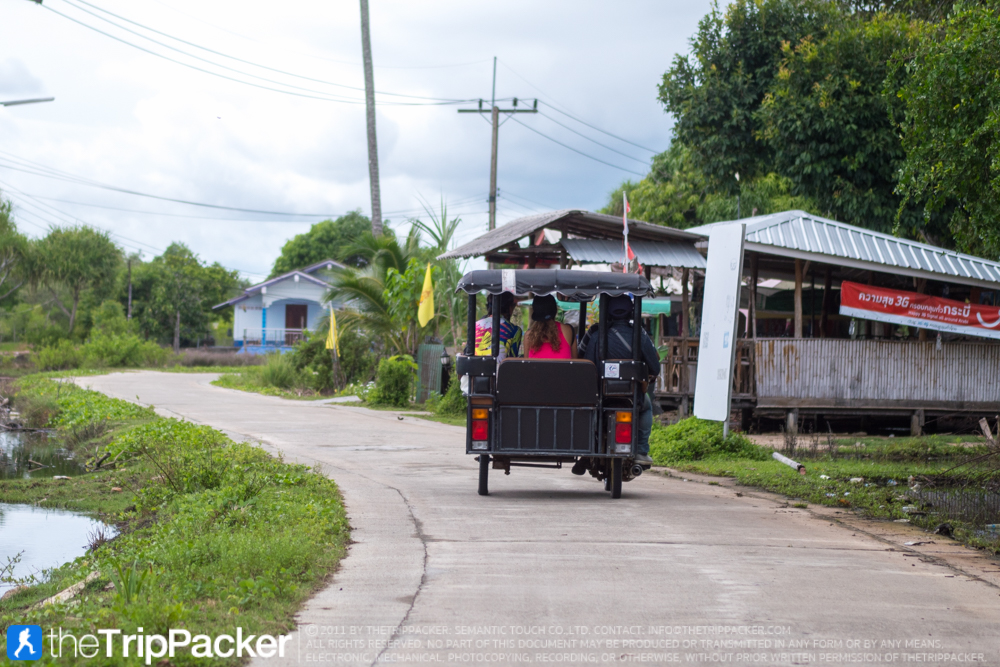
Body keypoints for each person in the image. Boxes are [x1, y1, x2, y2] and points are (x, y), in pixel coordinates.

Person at [578, 294, 660, 467]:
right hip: (632, 396)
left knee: (589, 410)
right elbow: (655, 367)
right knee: (646, 408)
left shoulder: (596, 335)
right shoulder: (640, 335)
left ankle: (588, 447)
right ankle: (641, 450)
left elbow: (586, 366)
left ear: (607, 312)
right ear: (631, 312)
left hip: (601, 395)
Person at [524, 295, 577, 359]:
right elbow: (575, 362)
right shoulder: (569, 331)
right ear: (555, 311)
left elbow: (526, 364)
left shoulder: (528, 336)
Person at [474, 292, 522, 361]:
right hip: (501, 368)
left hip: (476, 367)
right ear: (509, 307)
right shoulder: (515, 330)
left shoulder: (475, 325)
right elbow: (512, 360)